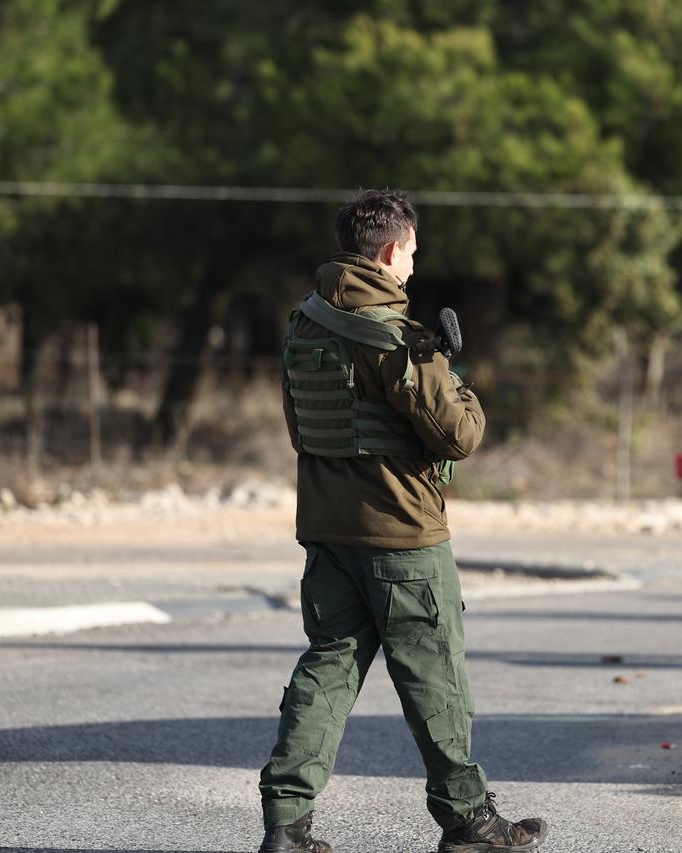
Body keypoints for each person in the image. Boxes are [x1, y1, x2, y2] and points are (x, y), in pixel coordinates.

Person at [258, 189, 547, 853]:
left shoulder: (305, 326)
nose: (413, 267)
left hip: (328, 532)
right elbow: (458, 434)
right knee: (435, 679)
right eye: (412, 254)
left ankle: (285, 824)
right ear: (390, 252)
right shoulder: (398, 338)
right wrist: (457, 376)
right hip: (404, 539)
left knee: (326, 671)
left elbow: (301, 428)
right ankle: (469, 820)